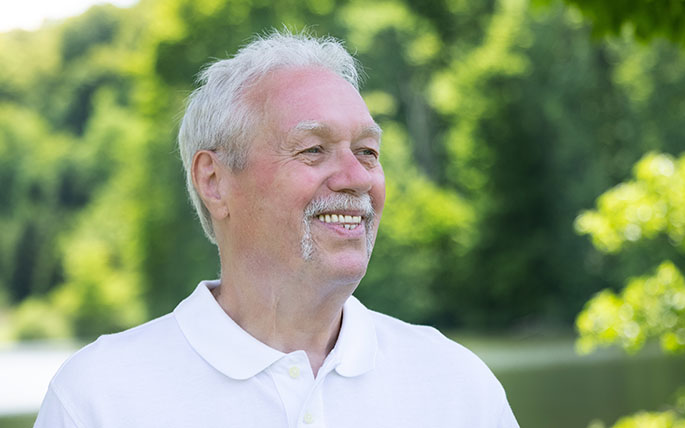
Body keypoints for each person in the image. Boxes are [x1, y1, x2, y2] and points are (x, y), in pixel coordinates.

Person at [33, 30, 519, 427]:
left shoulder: (456, 386)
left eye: (368, 151)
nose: (355, 177)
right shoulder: (98, 400)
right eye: (313, 150)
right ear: (215, 181)